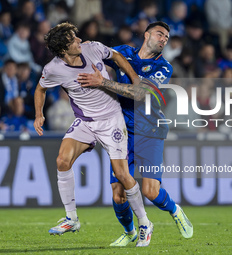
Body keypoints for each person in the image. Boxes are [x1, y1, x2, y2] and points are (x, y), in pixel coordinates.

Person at [33, 22, 154, 247]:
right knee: (62, 160)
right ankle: (72, 219)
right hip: (86, 122)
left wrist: (135, 78)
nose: (79, 40)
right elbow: (40, 89)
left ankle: (145, 223)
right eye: (73, 39)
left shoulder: (94, 48)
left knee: (121, 174)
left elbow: (117, 56)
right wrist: (39, 114)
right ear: (63, 49)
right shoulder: (53, 69)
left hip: (111, 121)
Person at [77, 21, 193, 247]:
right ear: (147, 35)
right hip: (120, 132)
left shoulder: (163, 67)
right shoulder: (124, 53)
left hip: (149, 131)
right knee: (118, 194)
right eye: (160, 34)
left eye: (167, 38)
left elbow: (140, 93)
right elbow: (95, 51)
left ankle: (175, 210)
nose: (163, 39)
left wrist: (103, 83)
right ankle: (130, 231)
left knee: (150, 191)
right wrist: (84, 45)